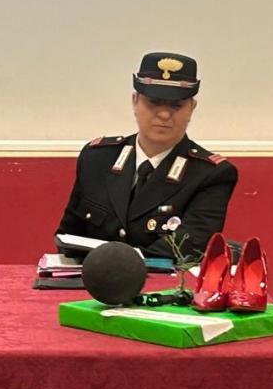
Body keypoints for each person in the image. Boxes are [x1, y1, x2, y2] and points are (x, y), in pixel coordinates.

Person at [56, 52, 237, 261]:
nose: (164, 114)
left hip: (161, 280)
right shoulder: (97, 158)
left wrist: (118, 264)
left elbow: (188, 247)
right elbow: (68, 237)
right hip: (93, 277)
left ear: (192, 108)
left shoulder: (210, 174)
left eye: (176, 106)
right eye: (154, 102)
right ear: (135, 101)